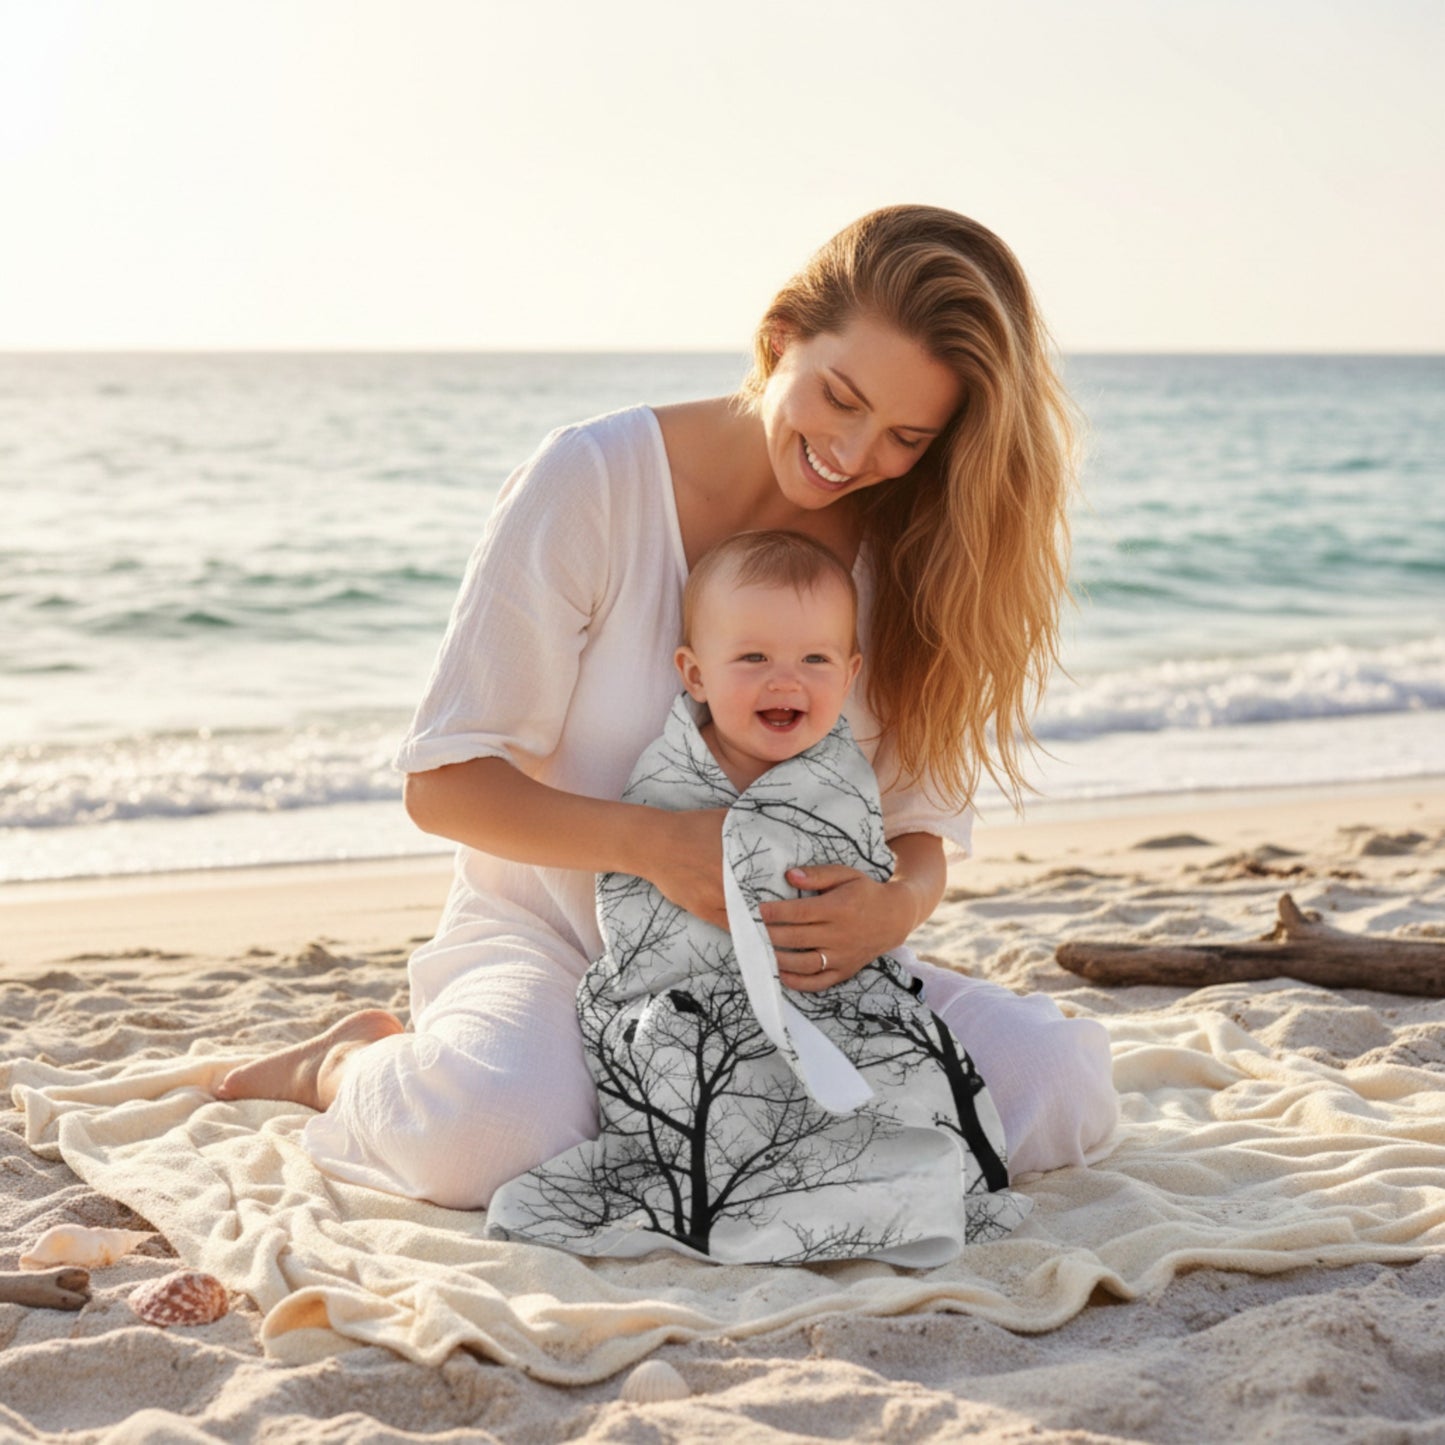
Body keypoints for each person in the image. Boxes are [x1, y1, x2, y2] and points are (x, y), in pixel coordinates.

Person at [216, 204, 1118, 1211]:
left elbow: (916, 832)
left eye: (905, 434)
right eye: (840, 397)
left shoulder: (916, 554)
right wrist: (652, 844)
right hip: (551, 948)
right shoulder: (592, 481)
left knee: (1060, 1089)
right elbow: (443, 784)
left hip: (795, 983)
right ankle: (346, 1063)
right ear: (780, 339)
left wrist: (888, 910)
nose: (853, 453)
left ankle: (686, 1127)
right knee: (492, 1135)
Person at [484, 528, 1031, 1264]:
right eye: (752, 659)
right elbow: (636, 919)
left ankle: (884, 1191)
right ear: (695, 673)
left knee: (918, 1067)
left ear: (849, 672)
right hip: (690, 995)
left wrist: (878, 911)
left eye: (814, 659)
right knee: (708, 1084)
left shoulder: (838, 772)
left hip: (831, 990)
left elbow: (878, 870)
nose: (785, 681)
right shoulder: (671, 781)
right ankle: (761, 1201)